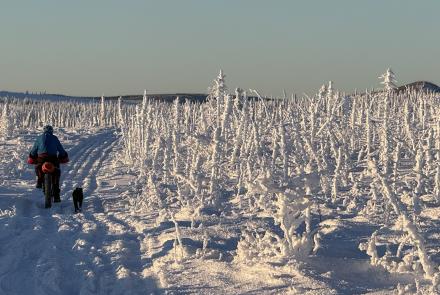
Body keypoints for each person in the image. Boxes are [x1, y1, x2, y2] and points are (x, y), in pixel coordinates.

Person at [27, 125, 69, 202]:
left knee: (38, 166)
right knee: (56, 172)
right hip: (53, 158)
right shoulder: (55, 138)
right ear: (52, 131)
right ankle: (56, 196)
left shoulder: (39, 138)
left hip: (41, 158)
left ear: (44, 131)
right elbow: (61, 149)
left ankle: (39, 181)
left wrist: (32, 157)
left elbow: (34, 150)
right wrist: (63, 156)